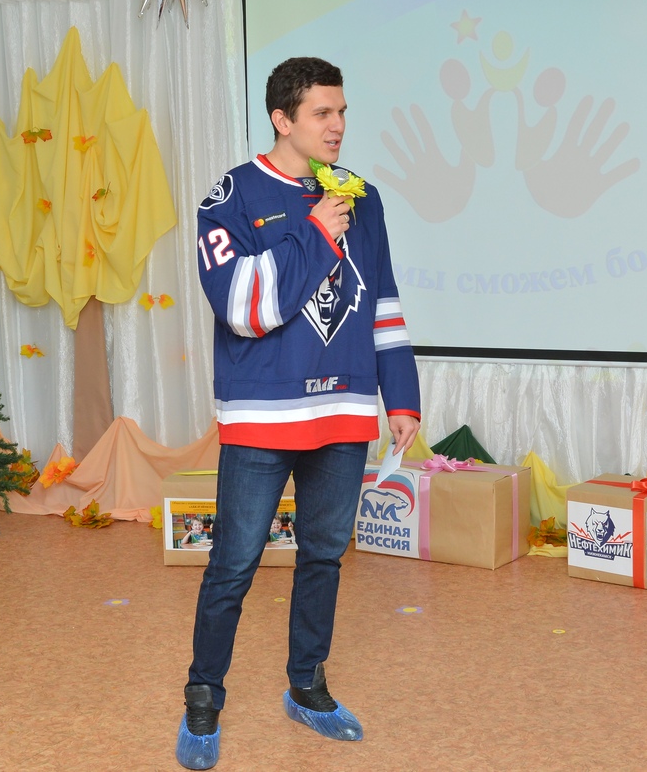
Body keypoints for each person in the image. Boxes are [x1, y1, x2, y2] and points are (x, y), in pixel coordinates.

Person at [176, 57, 421, 771]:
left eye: (342, 112)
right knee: (233, 562)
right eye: (322, 113)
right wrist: (314, 231)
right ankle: (203, 697)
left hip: (344, 409)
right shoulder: (232, 196)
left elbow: (383, 298)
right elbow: (242, 307)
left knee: (324, 555)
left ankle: (307, 686)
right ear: (282, 119)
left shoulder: (362, 197)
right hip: (263, 414)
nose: (338, 126)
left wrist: (400, 396)